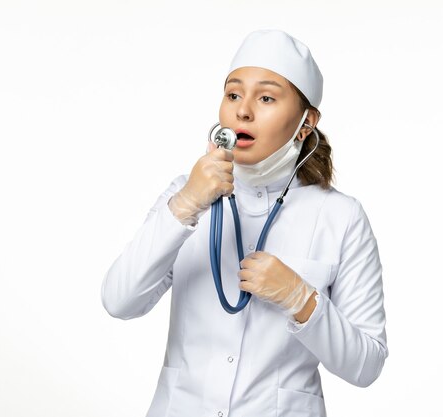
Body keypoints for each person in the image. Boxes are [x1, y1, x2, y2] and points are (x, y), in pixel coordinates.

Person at [101, 29, 388, 417]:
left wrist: (301, 299)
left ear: (306, 123)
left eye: (266, 98)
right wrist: (186, 203)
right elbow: (120, 301)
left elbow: (366, 365)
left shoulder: (341, 217)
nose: (243, 111)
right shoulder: (185, 196)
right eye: (233, 94)